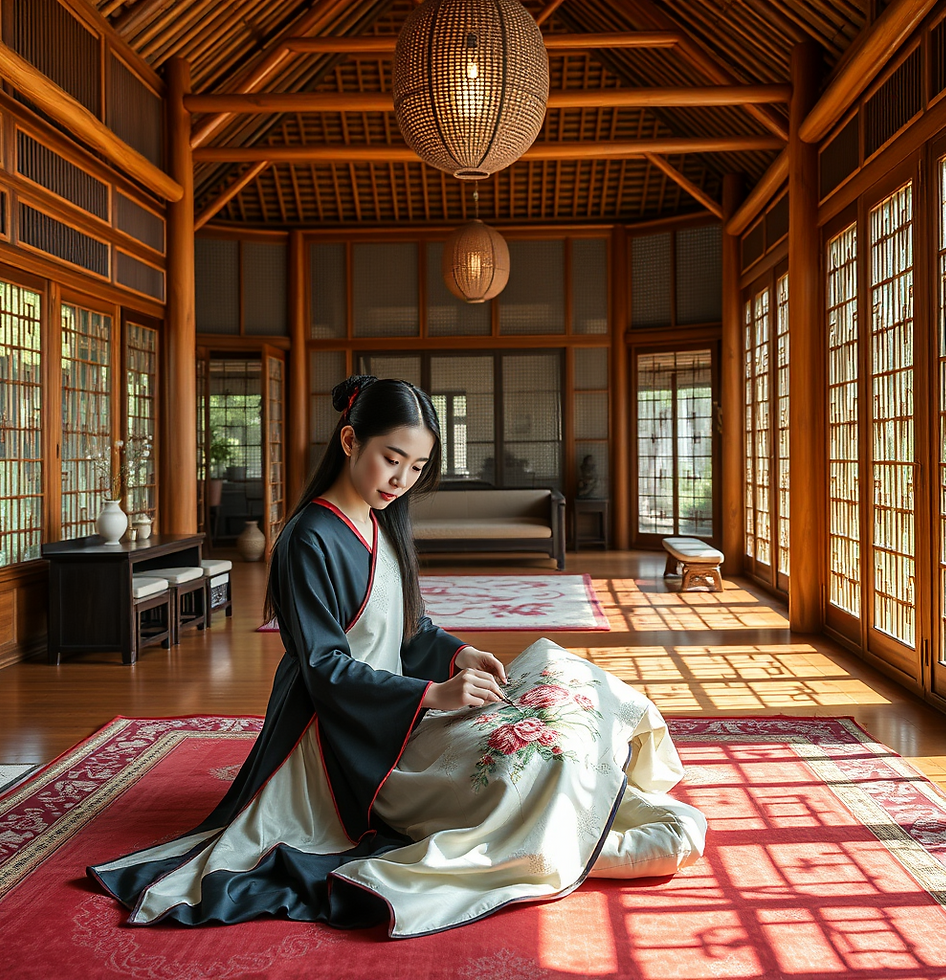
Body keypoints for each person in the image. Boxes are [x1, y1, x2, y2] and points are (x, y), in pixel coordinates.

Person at [88, 375, 706, 937]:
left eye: (416, 467)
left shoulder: (381, 519)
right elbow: (325, 668)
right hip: (347, 740)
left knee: (558, 675)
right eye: (392, 459)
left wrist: (459, 656)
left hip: (397, 708)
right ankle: (580, 838)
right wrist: (432, 696)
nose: (401, 480)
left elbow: (409, 631)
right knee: (525, 762)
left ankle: (588, 814)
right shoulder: (308, 538)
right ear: (350, 439)